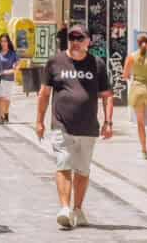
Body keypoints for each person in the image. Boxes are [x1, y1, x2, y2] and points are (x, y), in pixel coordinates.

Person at [36, 23, 114, 231]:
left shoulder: (96, 64)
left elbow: (107, 96)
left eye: (80, 38)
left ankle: (78, 208)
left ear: (89, 42)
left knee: (82, 170)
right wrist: (39, 121)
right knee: (63, 163)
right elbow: (44, 94)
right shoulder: (55, 62)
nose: (76, 42)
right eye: (72, 38)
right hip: (61, 124)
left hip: (88, 127)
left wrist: (108, 122)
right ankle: (64, 208)